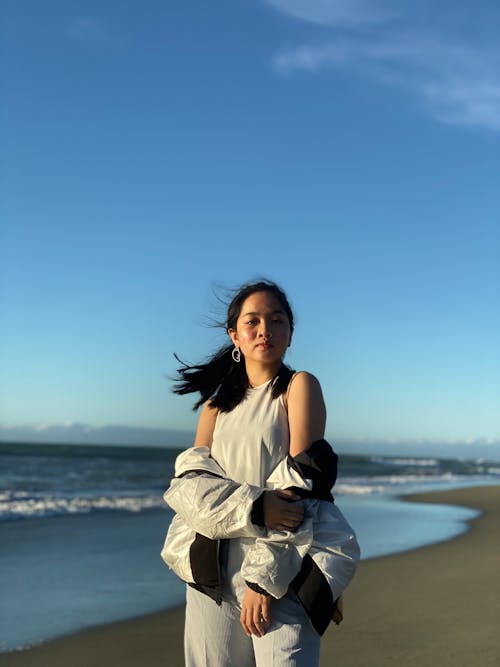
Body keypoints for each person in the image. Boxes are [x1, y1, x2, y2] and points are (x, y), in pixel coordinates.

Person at [161, 280, 359, 667]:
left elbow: (303, 483)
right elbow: (192, 486)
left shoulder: (298, 386)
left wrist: (263, 579)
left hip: (285, 560)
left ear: (290, 333)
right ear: (234, 335)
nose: (264, 329)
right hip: (212, 569)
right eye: (253, 321)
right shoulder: (216, 406)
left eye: (276, 320)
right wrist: (254, 506)